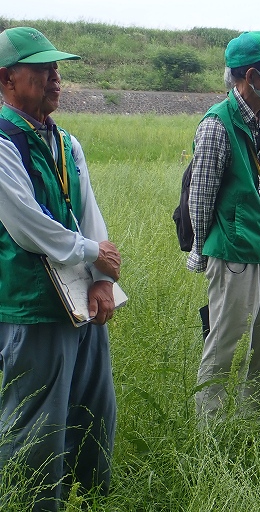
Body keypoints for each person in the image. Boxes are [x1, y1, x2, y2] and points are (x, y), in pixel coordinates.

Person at [0, 27, 122, 509]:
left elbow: (89, 215)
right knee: (37, 421)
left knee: (94, 409)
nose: (55, 77)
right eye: (42, 69)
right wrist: (93, 254)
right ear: (6, 79)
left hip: (80, 300)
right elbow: (28, 225)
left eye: (56, 68)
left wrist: (103, 280)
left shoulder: (66, 142)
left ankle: (92, 498)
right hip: (33, 305)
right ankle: (33, 503)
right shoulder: (4, 141)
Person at [188, 31, 260, 420]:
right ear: (252, 77)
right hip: (234, 253)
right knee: (226, 345)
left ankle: (256, 420)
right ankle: (212, 429)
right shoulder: (216, 125)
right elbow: (200, 198)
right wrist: (201, 252)